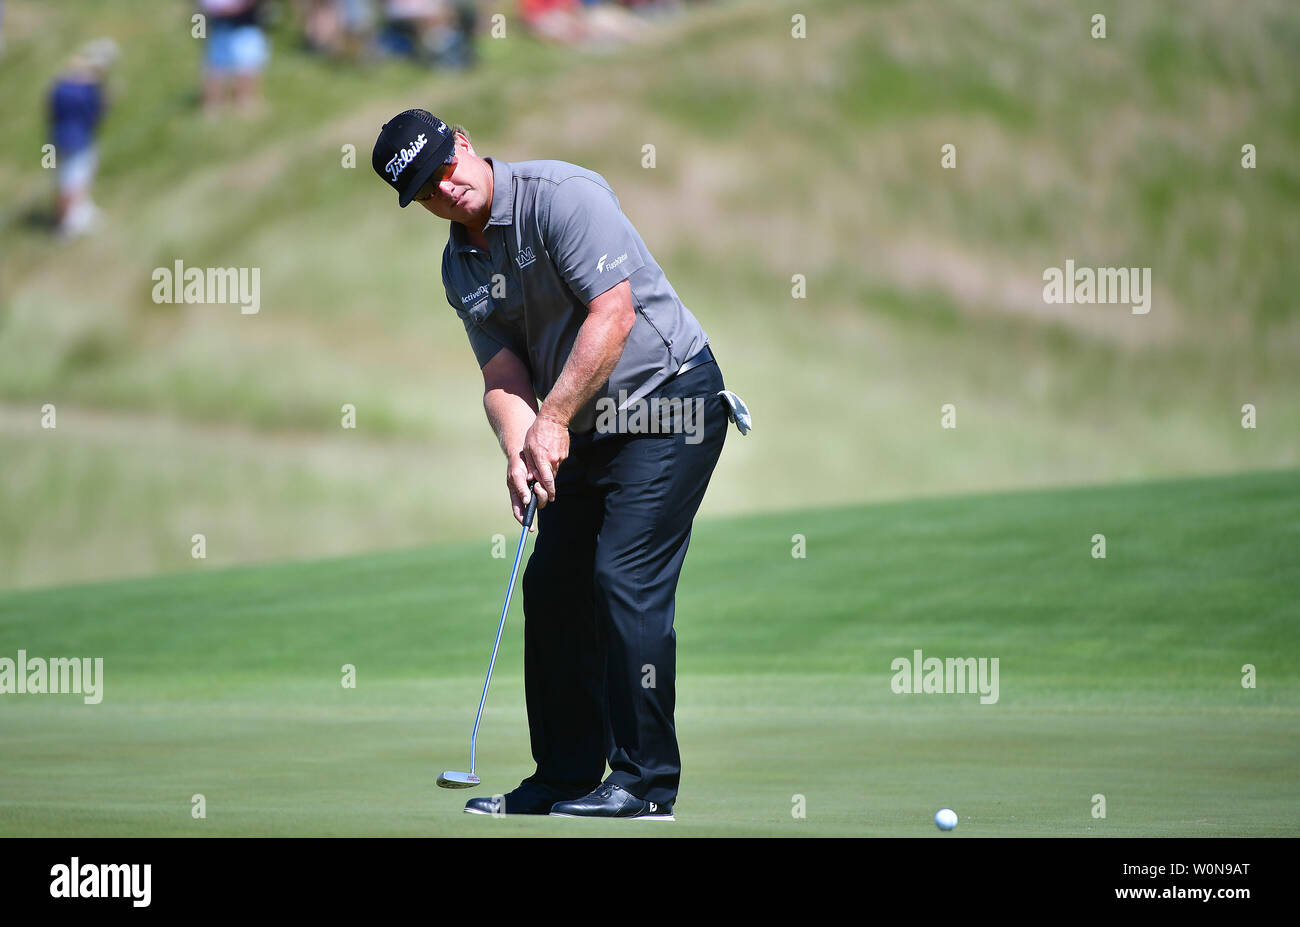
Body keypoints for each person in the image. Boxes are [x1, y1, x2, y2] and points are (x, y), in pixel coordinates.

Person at [371, 110, 750, 820]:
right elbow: (503, 373)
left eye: (444, 168)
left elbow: (613, 314)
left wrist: (550, 420)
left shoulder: (562, 196)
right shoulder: (460, 265)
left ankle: (644, 782)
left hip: (668, 401)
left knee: (622, 575)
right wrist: (520, 447)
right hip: (584, 421)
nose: (443, 191)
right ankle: (569, 774)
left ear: (466, 144)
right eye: (424, 191)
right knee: (551, 585)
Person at [48, 38, 120, 240]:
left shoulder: (59, 86)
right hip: (80, 140)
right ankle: (67, 223)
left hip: (58, 138)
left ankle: (72, 216)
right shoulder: (88, 91)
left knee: (65, 179)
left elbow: (51, 111)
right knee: (75, 180)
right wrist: (107, 100)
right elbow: (95, 117)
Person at [200, 0, 269, 115]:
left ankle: (245, 101)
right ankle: (213, 104)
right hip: (220, 25)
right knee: (217, 67)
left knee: (248, 66)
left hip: (246, 23)